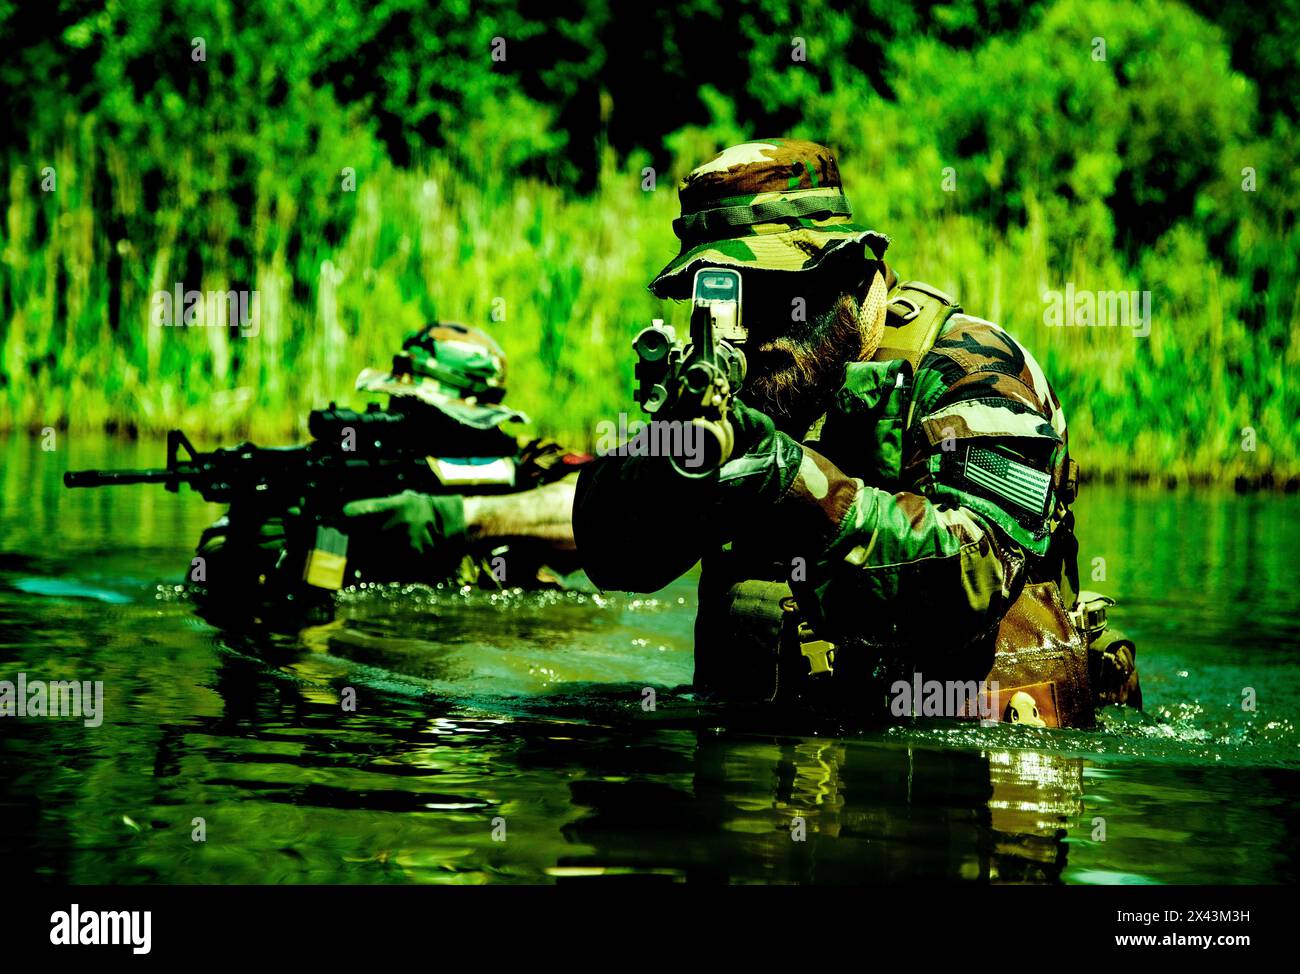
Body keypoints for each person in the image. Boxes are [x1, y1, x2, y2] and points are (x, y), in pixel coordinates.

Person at [572, 139, 1140, 726]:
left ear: (848, 266)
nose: (755, 329)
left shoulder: (971, 366)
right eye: (730, 299)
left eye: (776, 290)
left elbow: (972, 574)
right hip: (768, 776)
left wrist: (791, 481)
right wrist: (666, 467)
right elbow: (612, 556)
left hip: (966, 771)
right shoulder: (731, 382)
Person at [190, 322, 589, 625]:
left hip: (491, 666)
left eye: (432, 416)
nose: (407, 419)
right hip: (365, 663)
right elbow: (205, 575)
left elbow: (606, 512)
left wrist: (449, 518)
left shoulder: (523, 463)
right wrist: (256, 535)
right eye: (402, 405)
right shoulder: (337, 467)